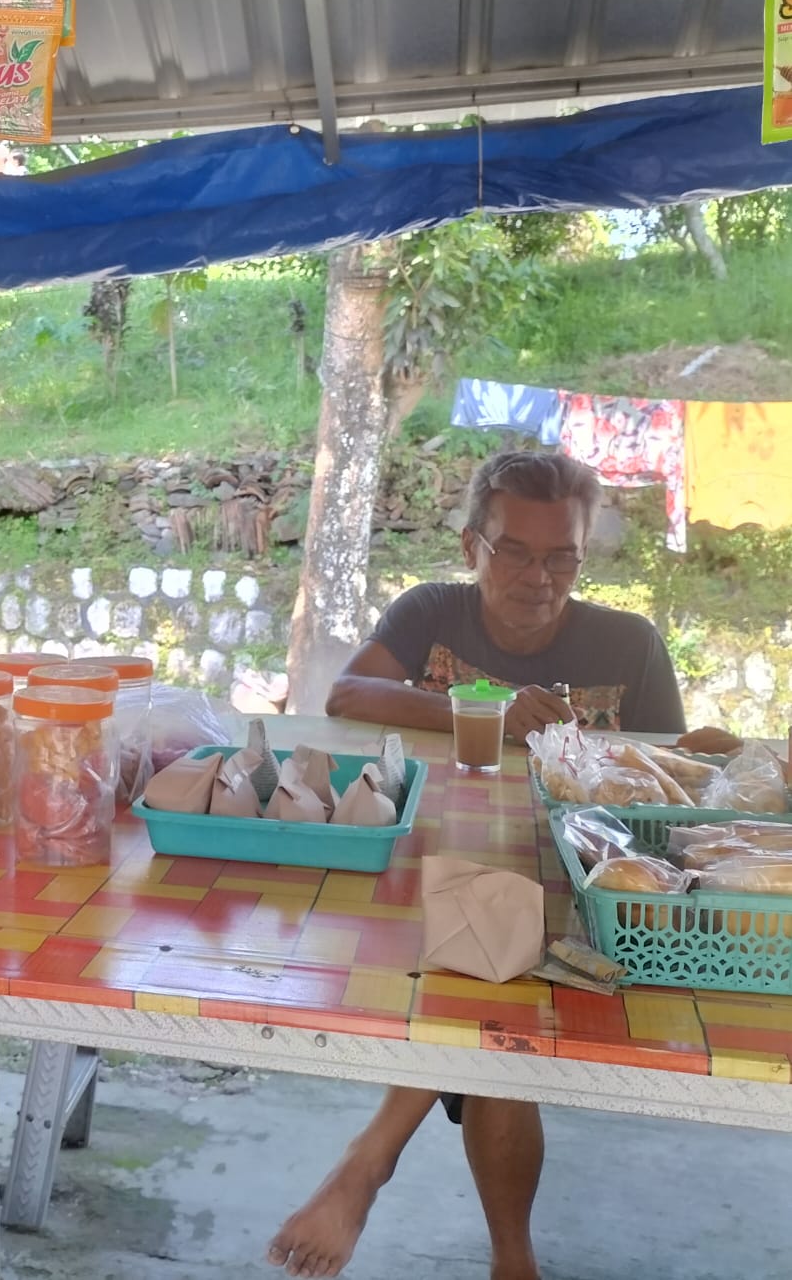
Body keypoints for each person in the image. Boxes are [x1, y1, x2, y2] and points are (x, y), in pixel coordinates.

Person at [269, 450, 687, 1280]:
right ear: (472, 547)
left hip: (576, 895)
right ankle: (511, 1258)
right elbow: (347, 696)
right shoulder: (433, 614)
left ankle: (369, 1161)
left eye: (561, 555)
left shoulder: (629, 644)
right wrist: (485, 713)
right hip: (436, 881)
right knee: (490, 979)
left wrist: (587, 758)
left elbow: (667, 795)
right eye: (515, 552)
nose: (539, 577)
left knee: (496, 970)